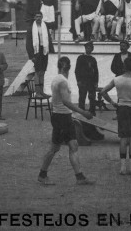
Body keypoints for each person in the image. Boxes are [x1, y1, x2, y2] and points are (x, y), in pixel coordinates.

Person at [37, 57, 96, 186]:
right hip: (61, 118)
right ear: (67, 67)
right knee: (54, 148)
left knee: (73, 146)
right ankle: (42, 174)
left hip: (63, 117)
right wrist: (83, 112)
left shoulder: (57, 79)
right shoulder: (62, 81)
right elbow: (66, 101)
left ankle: (80, 177)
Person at [100, 56, 131, 175]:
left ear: (124, 66)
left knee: (123, 137)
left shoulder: (117, 80)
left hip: (121, 108)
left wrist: (112, 102)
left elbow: (103, 92)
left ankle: (122, 167)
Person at [26, 12, 52, 97]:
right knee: (37, 71)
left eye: (40, 17)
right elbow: (28, 44)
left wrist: (50, 50)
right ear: (34, 17)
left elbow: (48, 38)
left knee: (43, 71)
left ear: (42, 17)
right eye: (37, 16)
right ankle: (37, 92)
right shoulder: (31, 28)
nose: (38, 18)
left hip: (44, 50)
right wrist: (31, 56)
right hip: (36, 51)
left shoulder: (45, 26)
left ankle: (42, 91)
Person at [75, 41, 99, 114]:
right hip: (83, 81)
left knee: (92, 97)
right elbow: (77, 70)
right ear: (85, 49)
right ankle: (81, 111)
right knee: (82, 97)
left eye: (90, 48)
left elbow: (96, 71)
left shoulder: (93, 59)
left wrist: (96, 82)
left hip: (91, 81)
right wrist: (78, 80)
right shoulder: (80, 58)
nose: (88, 49)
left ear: (92, 49)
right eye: (87, 48)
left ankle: (92, 111)